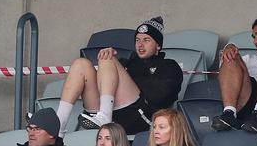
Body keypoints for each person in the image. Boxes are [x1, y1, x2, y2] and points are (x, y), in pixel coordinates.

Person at [55, 16, 183, 136]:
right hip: (113, 112)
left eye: (146, 40)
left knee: (108, 58)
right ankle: (58, 127)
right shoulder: (127, 63)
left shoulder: (169, 66)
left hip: (141, 119)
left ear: (158, 45)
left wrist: (127, 84)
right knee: (81, 64)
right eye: (137, 40)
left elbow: (162, 97)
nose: (140, 45)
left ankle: (105, 116)